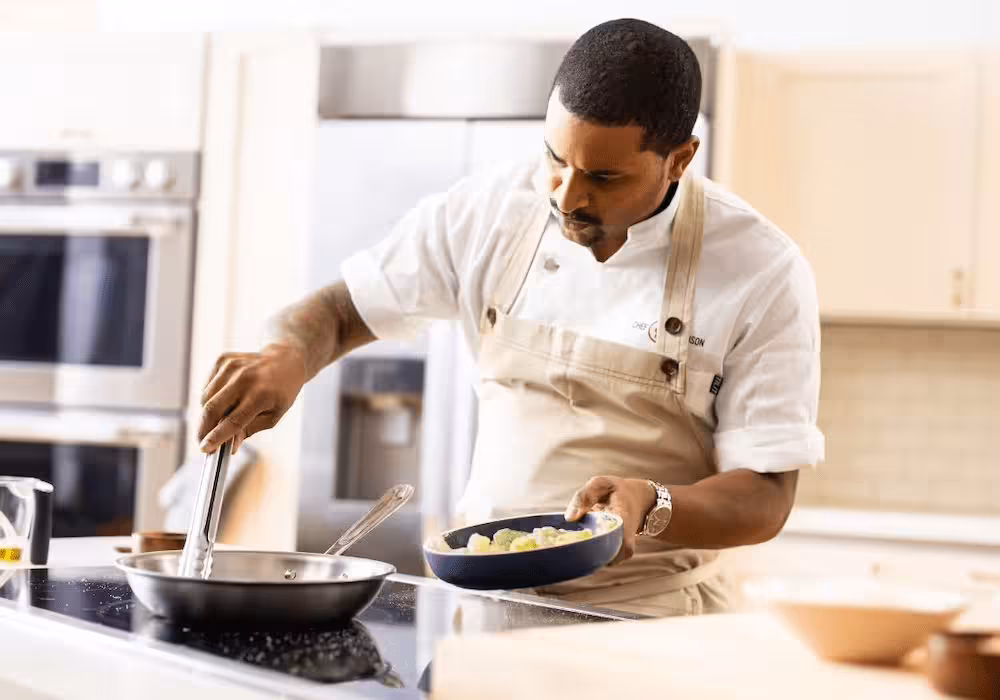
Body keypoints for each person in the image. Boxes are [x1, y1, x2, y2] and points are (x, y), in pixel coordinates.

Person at [197, 18, 824, 616]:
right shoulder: (492, 210)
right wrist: (287, 355)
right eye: (555, 157)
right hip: (485, 604)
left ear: (679, 160)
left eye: (603, 177)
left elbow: (765, 497)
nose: (567, 196)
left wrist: (652, 503)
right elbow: (336, 311)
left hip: (650, 619)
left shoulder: (760, 270)